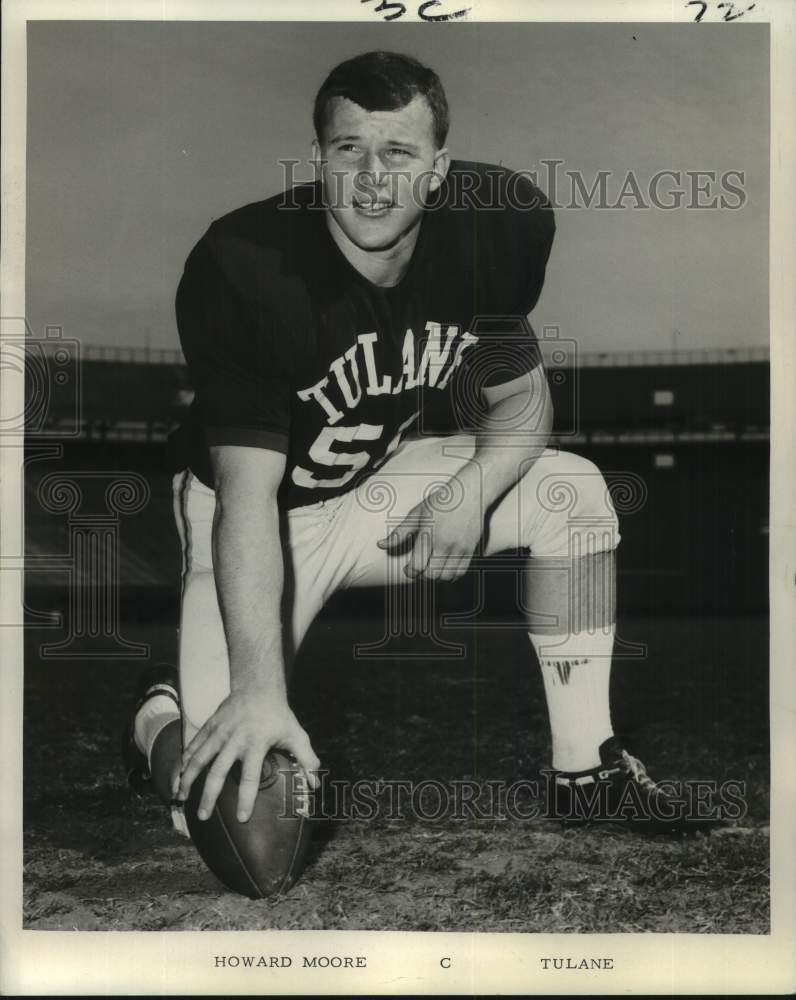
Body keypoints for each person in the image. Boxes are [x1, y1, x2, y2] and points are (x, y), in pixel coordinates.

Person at [124, 50, 713, 869]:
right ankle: (157, 721)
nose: (372, 177)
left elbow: (522, 403)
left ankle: (584, 769)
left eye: (398, 153)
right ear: (318, 157)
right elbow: (245, 495)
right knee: (245, 840)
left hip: (378, 488)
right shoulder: (251, 266)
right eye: (347, 149)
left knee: (572, 494)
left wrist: (471, 491)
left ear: (439, 169)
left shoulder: (491, 228)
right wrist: (259, 691)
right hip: (261, 523)